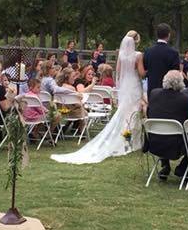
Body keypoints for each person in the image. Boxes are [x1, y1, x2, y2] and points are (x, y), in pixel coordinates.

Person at [53, 31, 147, 164]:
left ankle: (127, 139)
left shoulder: (121, 55)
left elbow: (118, 73)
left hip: (126, 86)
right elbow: (142, 73)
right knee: (134, 113)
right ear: (136, 42)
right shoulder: (138, 55)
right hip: (134, 86)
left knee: (125, 113)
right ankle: (132, 140)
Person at [144, 70, 188, 180]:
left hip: (155, 141)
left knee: (164, 128)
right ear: (181, 83)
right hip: (177, 144)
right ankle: (182, 167)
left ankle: (165, 165)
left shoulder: (154, 94)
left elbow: (149, 113)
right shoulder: (187, 100)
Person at [144, 24, 181, 96]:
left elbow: (145, 68)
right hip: (168, 91)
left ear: (157, 34)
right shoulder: (173, 53)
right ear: (169, 35)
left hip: (152, 89)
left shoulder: (148, 51)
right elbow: (176, 72)